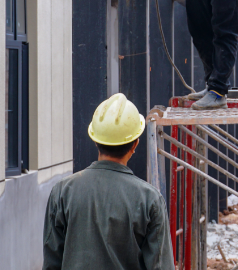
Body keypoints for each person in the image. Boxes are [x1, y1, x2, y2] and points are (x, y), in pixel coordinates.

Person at [43, 93, 174, 270]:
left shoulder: (62, 192)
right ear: (135, 145)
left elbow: (52, 262)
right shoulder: (149, 200)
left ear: (95, 141)